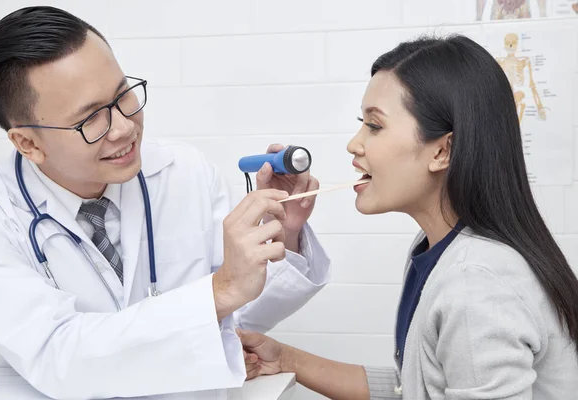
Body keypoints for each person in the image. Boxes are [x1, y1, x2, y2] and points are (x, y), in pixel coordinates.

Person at [0, 6, 330, 399]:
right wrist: (218, 291)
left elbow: (235, 320)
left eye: (122, 95)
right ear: (28, 142)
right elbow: (55, 356)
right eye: (91, 119)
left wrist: (286, 235)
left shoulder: (186, 172)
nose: (126, 127)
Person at [239, 35, 578, 400]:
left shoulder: (476, 284)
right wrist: (285, 358)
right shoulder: (437, 249)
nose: (354, 144)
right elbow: (416, 387)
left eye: (375, 125)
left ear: (442, 150)